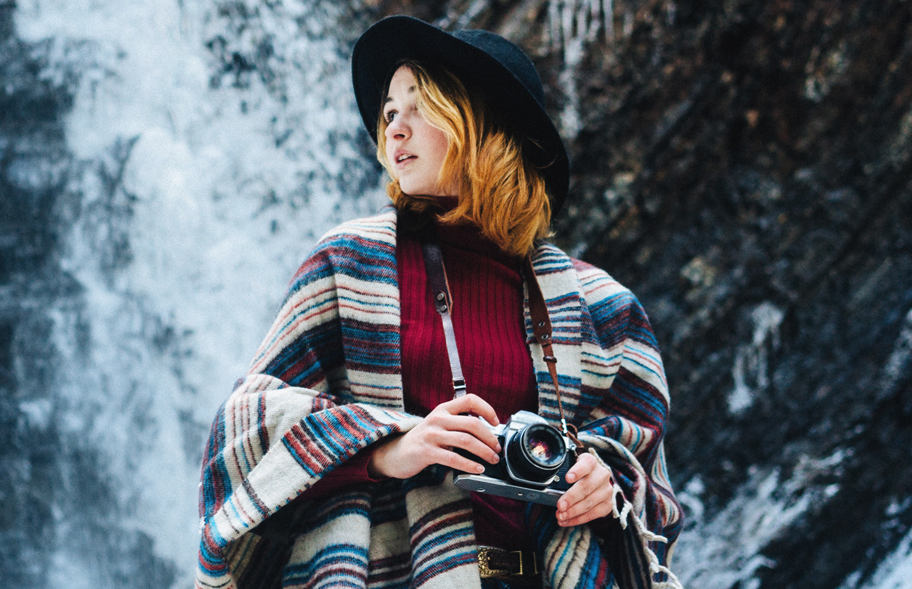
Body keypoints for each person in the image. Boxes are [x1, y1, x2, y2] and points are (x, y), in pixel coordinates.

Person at [196, 15, 682, 589]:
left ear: (486, 123)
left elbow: (652, 490)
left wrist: (607, 483)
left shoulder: (603, 309)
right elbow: (239, 431)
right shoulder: (347, 264)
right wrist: (386, 447)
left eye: (419, 106)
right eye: (389, 113)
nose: (394, 130)